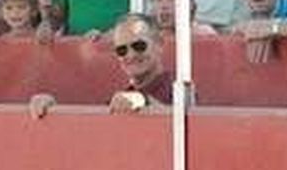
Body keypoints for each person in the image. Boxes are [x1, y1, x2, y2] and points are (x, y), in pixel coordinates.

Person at [28, 12, 176, 116]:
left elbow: (183, 121)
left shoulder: (178, 88)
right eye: (122, 50)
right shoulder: (123, 96)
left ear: (159, 44)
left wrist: (144, 102)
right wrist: (53, 109)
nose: (130, 55)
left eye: (139, 46)